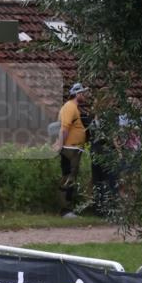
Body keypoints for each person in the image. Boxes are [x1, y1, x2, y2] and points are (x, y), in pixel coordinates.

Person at [53, 82, 89, 217]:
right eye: (83, 93)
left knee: (70, 177)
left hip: (73, 148)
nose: (85, 96)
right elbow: (64, 128)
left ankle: (68, 208)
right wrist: (60, 144)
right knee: (68, 178)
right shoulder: (70, 107)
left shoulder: (73, 107)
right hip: (70, 149)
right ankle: (66, 210)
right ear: (77, 94)